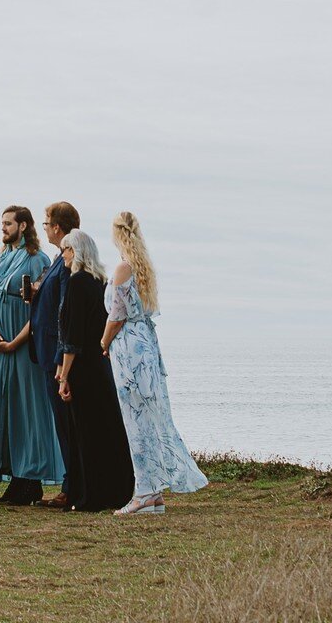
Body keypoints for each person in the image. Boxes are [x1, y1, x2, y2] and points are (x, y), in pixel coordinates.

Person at [102, 211, 208, 516]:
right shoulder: (143, 267)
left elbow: (117, 314)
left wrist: (103, 341)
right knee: (147, 418)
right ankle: (152, 492)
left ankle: (145, 492)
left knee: (136, 422)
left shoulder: (123, 268)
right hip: (145, 344)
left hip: (129, 349)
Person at [0, 206, 64, 504]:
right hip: (1, 347)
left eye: (8, 223)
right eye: (2, 223)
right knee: (5, 408)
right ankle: (14, 478)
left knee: (27, 411)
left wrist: (15, 342)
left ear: (24, 225)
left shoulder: (37, 259)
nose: (3, 228)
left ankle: (31, 479)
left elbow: (40, 310)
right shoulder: (4, 256)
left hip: (23, 346)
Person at [56, 230, 135, 512]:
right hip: (101, 364)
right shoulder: (99, 281)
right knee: (106, 429)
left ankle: (90, 495)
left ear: (75, 252)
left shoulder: (77, 283)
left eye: (65, 250)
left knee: (85, 432)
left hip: (82, 367)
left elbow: (71, 337)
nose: (62, 255)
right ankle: (116, 489)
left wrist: (64, 375)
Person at [30, 200, 80, 508]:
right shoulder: (58, 259)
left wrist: (63, 360)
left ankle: (71, 487)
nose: (44, 229)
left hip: (56, 354)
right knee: (62, 423)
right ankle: (71, 484)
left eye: (46, 224)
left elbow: (65, 311)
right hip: (49, 350)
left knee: (66, 423)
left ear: (57, 227)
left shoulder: (67, 261)